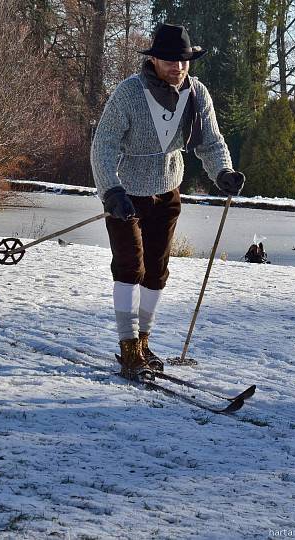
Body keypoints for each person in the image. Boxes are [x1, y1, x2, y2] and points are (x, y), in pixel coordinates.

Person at [90, 24, 246, 381]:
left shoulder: (197, 93)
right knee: (131, 266)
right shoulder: (129, 93)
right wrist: (111, 191)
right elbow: (104, 145)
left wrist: (223, 173)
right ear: (155, 59)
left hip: (167, 192)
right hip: (125, 195)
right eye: (170, 60)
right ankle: (128, 347)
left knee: (157, 272)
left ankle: (144, 341)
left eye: (184, 60)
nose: (178, 67)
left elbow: (211, 142)